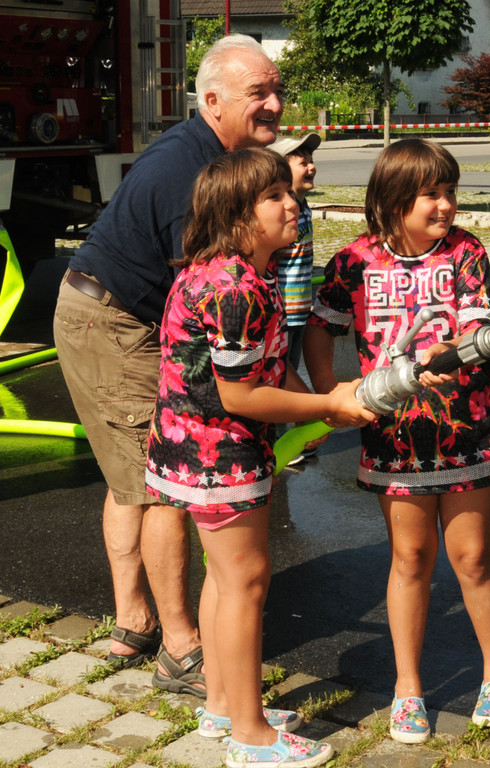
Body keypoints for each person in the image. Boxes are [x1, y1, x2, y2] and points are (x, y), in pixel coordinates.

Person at [52, 34, 284, 695]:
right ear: (210, 100)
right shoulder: (197, 176)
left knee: (136, 471)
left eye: (275, 90)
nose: (272, 104)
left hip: (110, 313)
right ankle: (181, 651)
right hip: (112, 322)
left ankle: (134, 620)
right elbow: (214, 297)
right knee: (163, 485)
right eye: (256, 94)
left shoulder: (212, 153)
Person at [145, 147, 373, 767]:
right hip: (219, 457)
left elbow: (267, 368)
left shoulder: (226, 272)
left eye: (288, 194)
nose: (292, 204)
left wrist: (321, 406)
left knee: (225, 580)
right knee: (245, 582)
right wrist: (328, 403)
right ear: (239, 218)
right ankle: (249, 734)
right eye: (275, 197)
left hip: (192, 450)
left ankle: (224, 703)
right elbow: (240, 393)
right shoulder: (239, 288)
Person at [303, 139, 490, 744]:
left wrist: (456, 350)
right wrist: (332, 392)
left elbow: (476, 324)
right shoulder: (353, 263)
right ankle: (408, 688)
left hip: (467, 430)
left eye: (450, 192)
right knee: (410, 560)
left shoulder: (468, 252)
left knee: (473, 558)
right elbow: (321, 327)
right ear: (395, 201)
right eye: (432, 194)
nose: (446, 205)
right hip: (394, 438)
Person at [268, 133, 322, 466]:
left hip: (300, 309)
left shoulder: (303, 207)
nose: (312, 167)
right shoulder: (279, 213)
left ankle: (290, 438)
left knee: (291, 373)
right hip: (282, 312)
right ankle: (274, 446)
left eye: (311, 160)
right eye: (302, 162)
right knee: (277, 377)